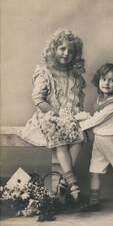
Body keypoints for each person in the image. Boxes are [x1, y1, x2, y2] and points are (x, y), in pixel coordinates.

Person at [18, 29, 86, 210]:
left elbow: (79, 101)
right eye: (62, 49)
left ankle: (64, 182)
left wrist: (77, 115)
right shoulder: (45, 72)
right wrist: (58, 114)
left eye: (71, 51)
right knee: (59, 136)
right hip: (49, 117)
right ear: (53, 50)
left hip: (69, 119)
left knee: (80, 134)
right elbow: (38, 100)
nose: (66, 53)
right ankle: (73, 182)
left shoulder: (75, 76)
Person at [79, 62, 113, 213]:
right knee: (95, 170)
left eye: (112, 80)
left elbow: (96, 120)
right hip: (100, 140)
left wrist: (77, 124)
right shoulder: (101, 99)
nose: (107, 83)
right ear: (98, 80)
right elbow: (97, 118)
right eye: (103, 79)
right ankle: (94, 201)